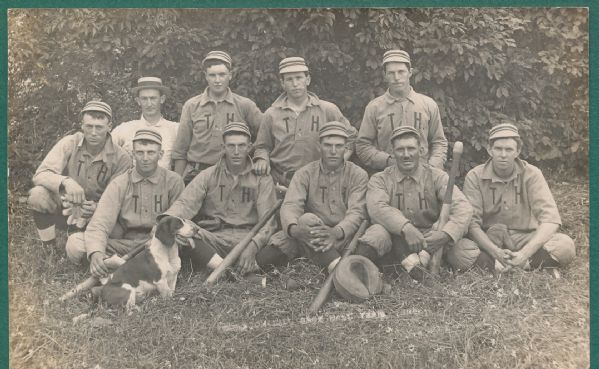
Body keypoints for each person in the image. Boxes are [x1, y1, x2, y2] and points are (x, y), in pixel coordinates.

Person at [448, 123, 576, 272]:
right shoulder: (475, 176)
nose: (503, 155)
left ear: (517, 151)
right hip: (489, 240)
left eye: (509, 149)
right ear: (490, 150)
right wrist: (495, 251)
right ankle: (528, 264)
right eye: (498, 149)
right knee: (456, 250)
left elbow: (550, 220)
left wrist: (524, 253)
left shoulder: (532, 174)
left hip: (525, 238)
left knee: (565, 245)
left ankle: (504, 265)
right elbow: (471, 224)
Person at [164, 122, 278, 275]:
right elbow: (185, 203)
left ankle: (231, 268)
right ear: (223, 147)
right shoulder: (208, 175)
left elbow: (268, 222)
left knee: (284, 240)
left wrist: (252, 247)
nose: (236, 151)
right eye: (231, 146)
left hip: (249, 238)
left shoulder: (262, 179)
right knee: (184, 228)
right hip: (215, 239)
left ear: (250, 147)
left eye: (241, 146)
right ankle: (226, 270)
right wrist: (166, 221)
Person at [358, 126, 472, 279]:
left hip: (430, 240)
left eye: (411, 148)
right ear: (392, 152)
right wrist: (406, 228)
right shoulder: (380, 179)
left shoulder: (437, 176)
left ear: (421, 150)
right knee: (376, 235)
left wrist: (445, 235)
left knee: (466, 253)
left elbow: (463, 208)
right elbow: (377, 208)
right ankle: (362, 272)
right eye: (400, 150)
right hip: (396, 236)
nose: (406, 155)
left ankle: (404, 268)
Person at [255, 121, 369, 274]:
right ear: (319, 146)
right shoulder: (305, 173)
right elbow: (291, 205)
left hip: (343, 236)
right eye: (328, 145)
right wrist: (294, 229)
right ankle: (337, 267)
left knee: (376, 236)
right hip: (310, 234)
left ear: (346, 148)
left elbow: (356, 213)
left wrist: (335, 233)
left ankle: (337, 268)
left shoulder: (358, 174)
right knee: (304, 222)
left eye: (339, 146)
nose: (333, 151)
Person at [68, 129, 184, 275]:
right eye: (140, 152)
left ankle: (119, 266)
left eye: (151, 152)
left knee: (185, 244)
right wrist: (96, 252)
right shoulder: (120, 183)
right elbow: (100, 222)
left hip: (161, 243)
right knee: (75, 243)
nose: (145, 158)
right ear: (133, 154)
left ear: (160, 155)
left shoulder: (174, 181)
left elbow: (180, 217)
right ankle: (112, 263)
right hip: (126, 244)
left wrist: (163, 234)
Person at [28, 101, 131, 250]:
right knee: (38, 195)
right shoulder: (70, 142)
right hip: (66, 206)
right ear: (82, 125)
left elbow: (119, 197)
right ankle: (49, 249)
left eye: (99, 127)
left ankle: (88, 244)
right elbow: (41, 174)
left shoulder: (122, 158)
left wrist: (98, 207)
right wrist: (66, 182)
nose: (93, 132)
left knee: (119, 230)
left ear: (109, 127)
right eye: (89, 126)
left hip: (96, 213)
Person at [253, 56, 357, 187]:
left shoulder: (327, 109)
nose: (295, 84)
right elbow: (262, 146)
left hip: (319, 181)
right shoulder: (271, 114)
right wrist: (262, 159)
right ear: (282, 83)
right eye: (289, 79)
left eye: (299, 78)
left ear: (307, 80)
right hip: (281, 181)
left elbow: (351, 138)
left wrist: (339, 161)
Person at [172, 51, 264, 184]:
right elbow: (181, 150)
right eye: (212, 75)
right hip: (197, 174)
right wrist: (178, 183)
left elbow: (266, 134)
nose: (217, 80)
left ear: (230, 76)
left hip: (233, 175)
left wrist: (255, 155)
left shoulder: (245, 105)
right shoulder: (192, 106)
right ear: (206, 77)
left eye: (222, 75)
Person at [356, 49, 447, 173]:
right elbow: (363, 146)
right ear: (385, 75)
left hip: (424, 177)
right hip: (388, 177)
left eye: (401, 72)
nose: (396, 78)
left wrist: (433, 167)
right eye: (391, 73)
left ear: (410, 73)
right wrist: (387, 161)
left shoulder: (428, 104)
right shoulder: (374, 107)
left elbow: (439, 142)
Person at [111, 77, 179, 169]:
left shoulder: (174, 129)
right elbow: (104, 148)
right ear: (138, 101)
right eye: (144, 99)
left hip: (164, 182)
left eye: (153, 98)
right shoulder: (125, 129)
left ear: (162, 99)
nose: (149, 104)